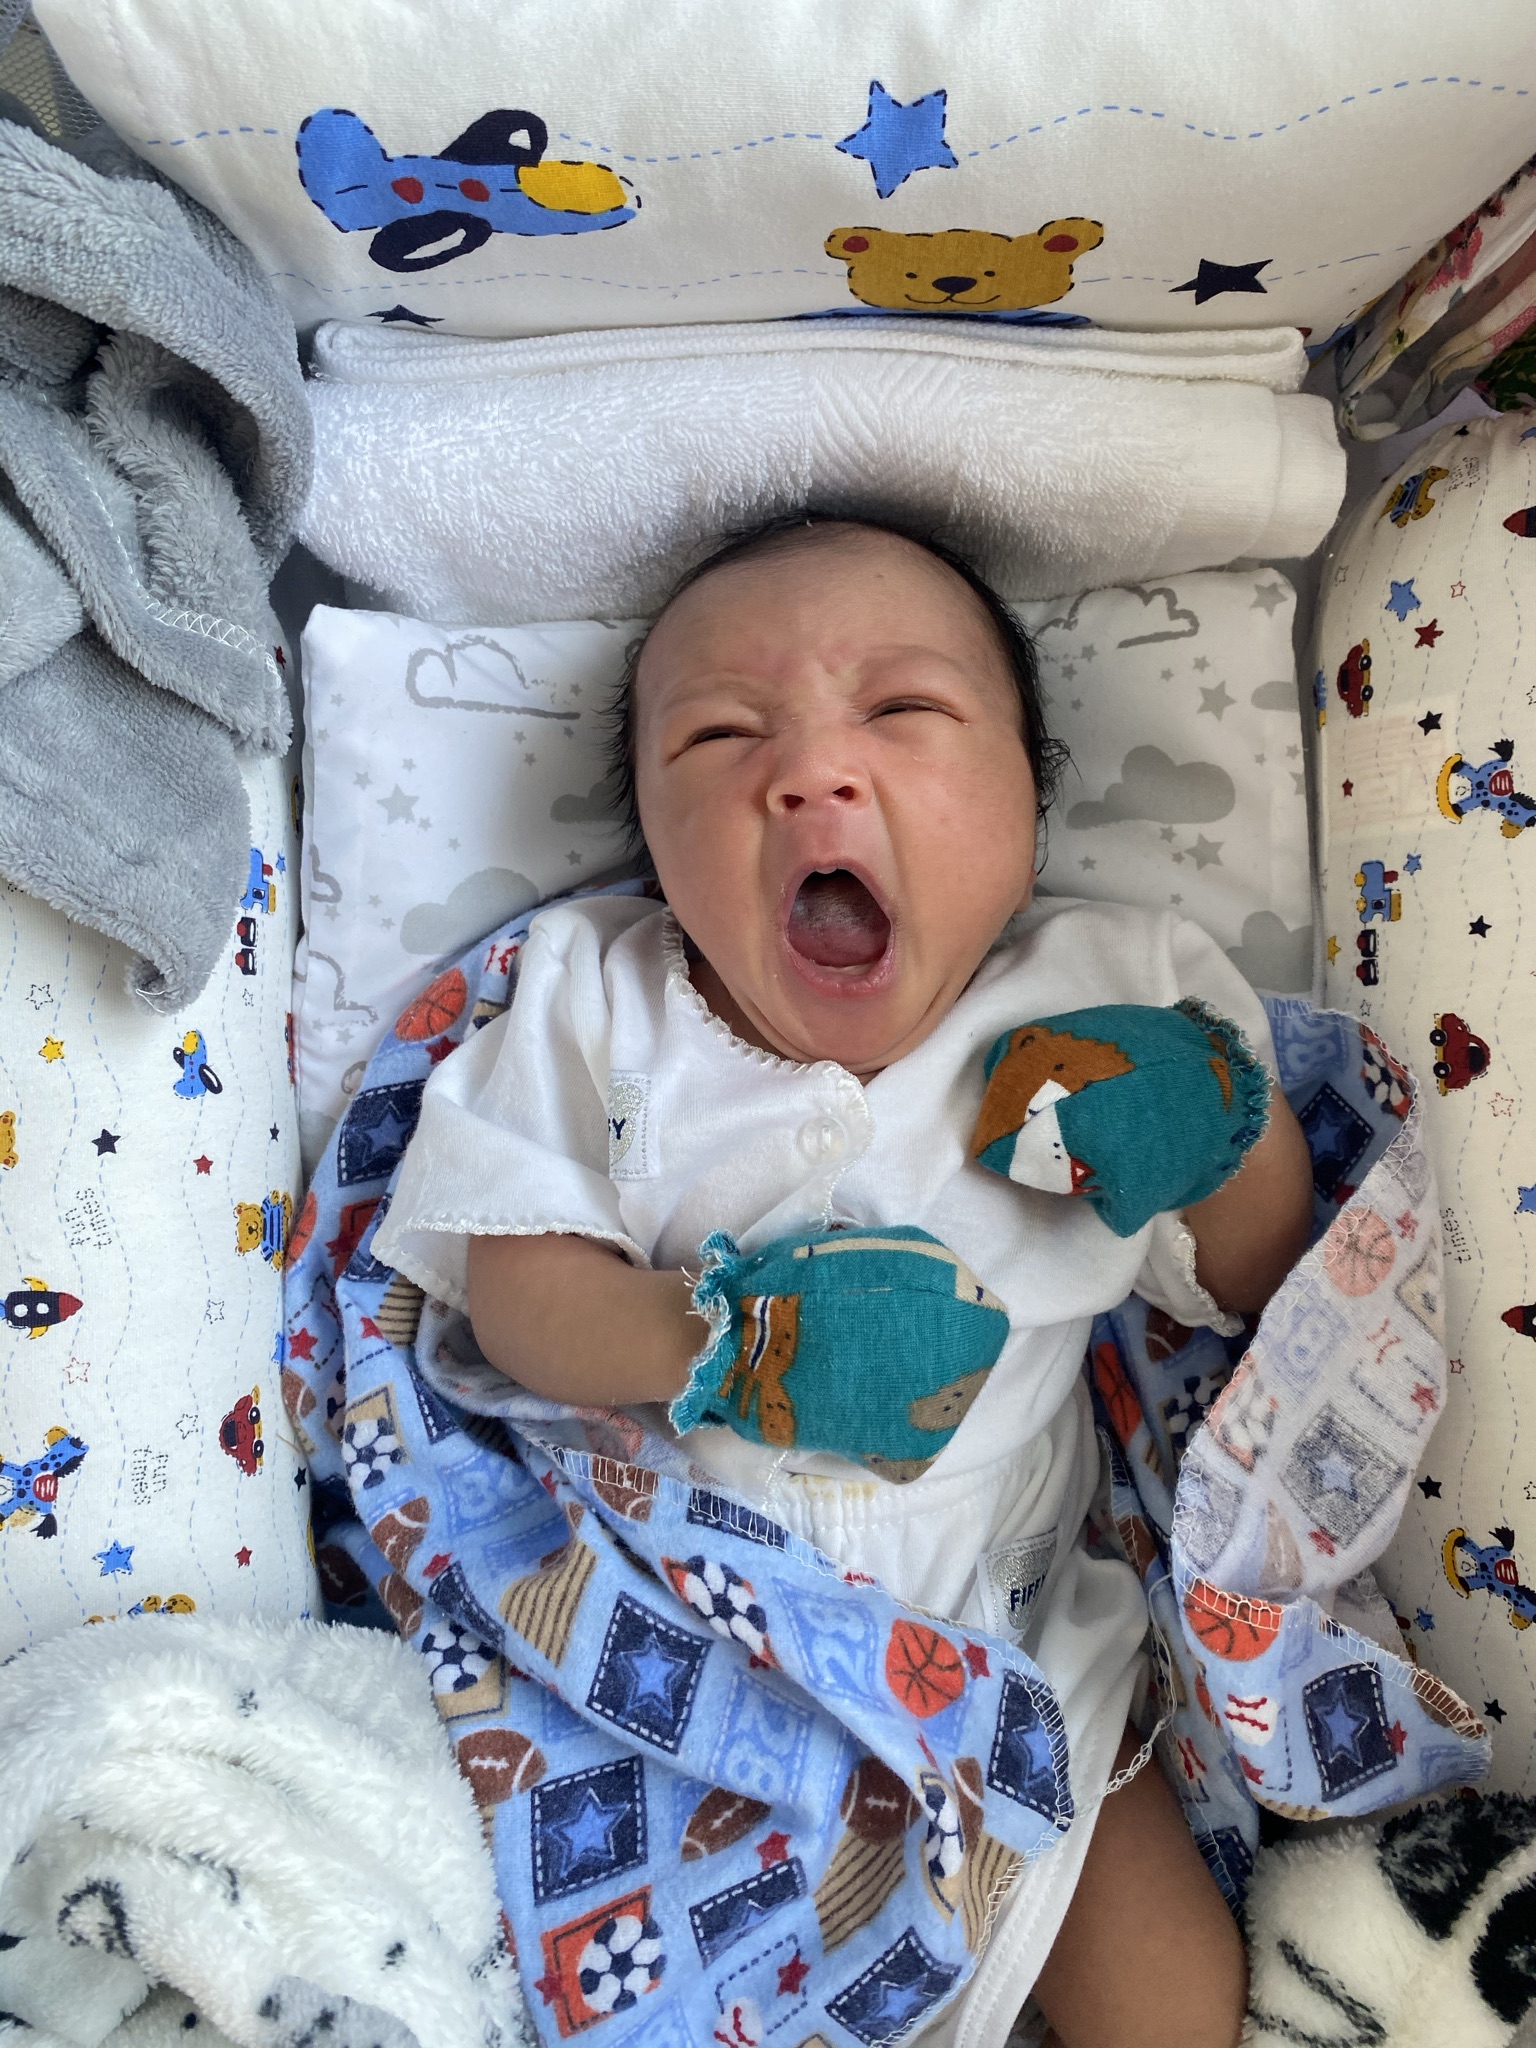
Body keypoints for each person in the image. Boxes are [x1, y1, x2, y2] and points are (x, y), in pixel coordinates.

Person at [375, 515, 1314, 2048]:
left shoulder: (1115, 988)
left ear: (1029, 802)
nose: (810, 769)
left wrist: (1213, 1126)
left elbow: (1264, 1283)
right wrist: (723, 1344)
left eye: (904, 708)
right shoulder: (601, 1009)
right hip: (693, 1651)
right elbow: (520, 1301)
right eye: (719, 734)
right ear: (652, 842)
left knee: (1170, 1995)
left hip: (1014, 1650)